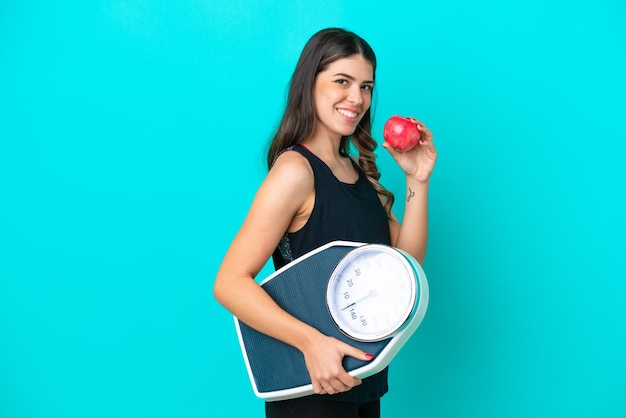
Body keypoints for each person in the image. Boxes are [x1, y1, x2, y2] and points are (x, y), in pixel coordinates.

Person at [213, 27, 437, 418]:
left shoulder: (359, 173)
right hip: (312, 388)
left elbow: (406, 267)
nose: (357, 98)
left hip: (364, 377)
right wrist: (311, 343)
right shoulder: (295, 172)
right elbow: (230, 282)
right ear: (309, 83)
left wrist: (417, 180)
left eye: (366, 86)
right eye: (342, 82)